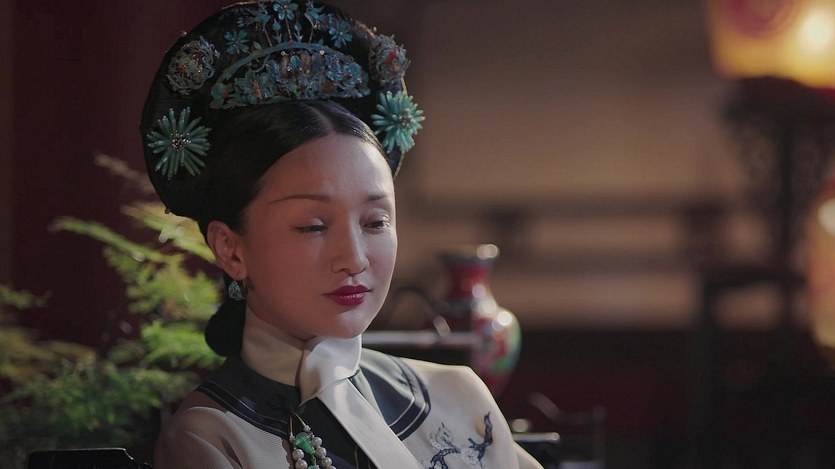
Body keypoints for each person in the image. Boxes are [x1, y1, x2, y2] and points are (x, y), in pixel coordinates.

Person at [141, 2, 543, 468]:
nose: (353, 258)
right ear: (230, 249)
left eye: (375, 223)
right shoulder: (213, 435)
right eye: (312, 226)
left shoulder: (457, 399)